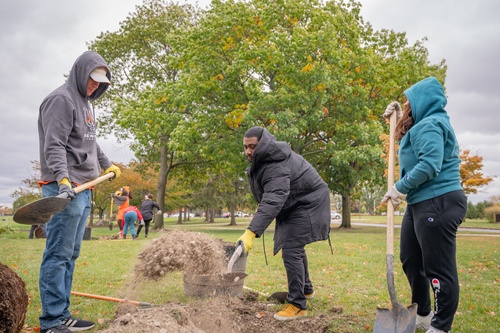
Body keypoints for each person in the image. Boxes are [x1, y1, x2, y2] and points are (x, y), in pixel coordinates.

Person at [37, 50, 121, 333]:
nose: (95, 86)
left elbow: (89, 143)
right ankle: (51, 321)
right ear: (80, 72)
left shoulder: (85, 103)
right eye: (92, 80)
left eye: (100, 83)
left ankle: (63, 314)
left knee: (70, 254)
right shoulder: (61, 100)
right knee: (57, 254)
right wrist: (62, 179)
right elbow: (54, 145)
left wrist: (108, 165)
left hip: (84, 189)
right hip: (66, 188)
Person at [382, 77, 467, 333]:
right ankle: (423, 314)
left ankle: (441, 327)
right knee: (411, 259)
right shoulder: (421, 126)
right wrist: (395, 117)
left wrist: (399, 188)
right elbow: (410, 146)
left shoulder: (432, 124)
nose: (407, 103)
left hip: (438, 200)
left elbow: (430, 165)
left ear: (423, 100)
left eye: (409, 100)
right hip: (420, 202)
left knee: (438, 269)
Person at [237, 126, 331, 321]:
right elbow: (270, 197)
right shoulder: (264, 160)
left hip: (308, 202)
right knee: (294, 246)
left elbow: (273, 198)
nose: (248, 151)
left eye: (252, 146)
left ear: (263, 144)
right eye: (245, 147)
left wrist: (251, 232)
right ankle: (306, 290)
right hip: (294, 203)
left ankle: (297, 305)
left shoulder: (275, 162)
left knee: (291, 248)